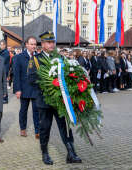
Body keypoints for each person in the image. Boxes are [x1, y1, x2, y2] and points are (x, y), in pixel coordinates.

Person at [28, 31, 81, 165]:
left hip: (60, 101)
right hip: (44, 101)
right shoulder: (36, 59)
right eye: (49, 42)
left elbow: (68, 75)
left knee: (65, 127)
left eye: (53, 42)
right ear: (43, 44)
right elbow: (31, 79)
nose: (52, 44)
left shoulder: (61, 58)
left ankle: (71, 153)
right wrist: (48, 83)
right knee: (45, 128)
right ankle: (45, 153)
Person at [13, 36, 40, 139]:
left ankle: (37, 130)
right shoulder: (19, 57)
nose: (34, 46)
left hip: (36, 89)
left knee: (37, 111)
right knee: (23, 110)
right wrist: (17, 90)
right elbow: (16, 75)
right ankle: (23, 129)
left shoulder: (38, 56)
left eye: (35, 44)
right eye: (32, 44)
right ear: (26, 45)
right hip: (24, 89)